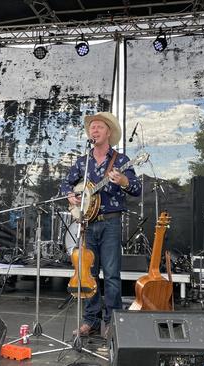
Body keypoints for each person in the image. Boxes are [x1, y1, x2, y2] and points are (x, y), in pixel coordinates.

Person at [60, 112, 141, 337]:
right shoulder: (82, 162)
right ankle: (91, 321)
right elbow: (65, 184)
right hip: (87, 223)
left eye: (98, 127)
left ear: (108, 133)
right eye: (91, 128)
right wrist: (71, 196)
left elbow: (136, 189)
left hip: (111, 223)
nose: (93, 131)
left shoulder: (121, 161)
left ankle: (113, 321)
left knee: (112, 274)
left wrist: (123, 181)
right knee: (88, 273)